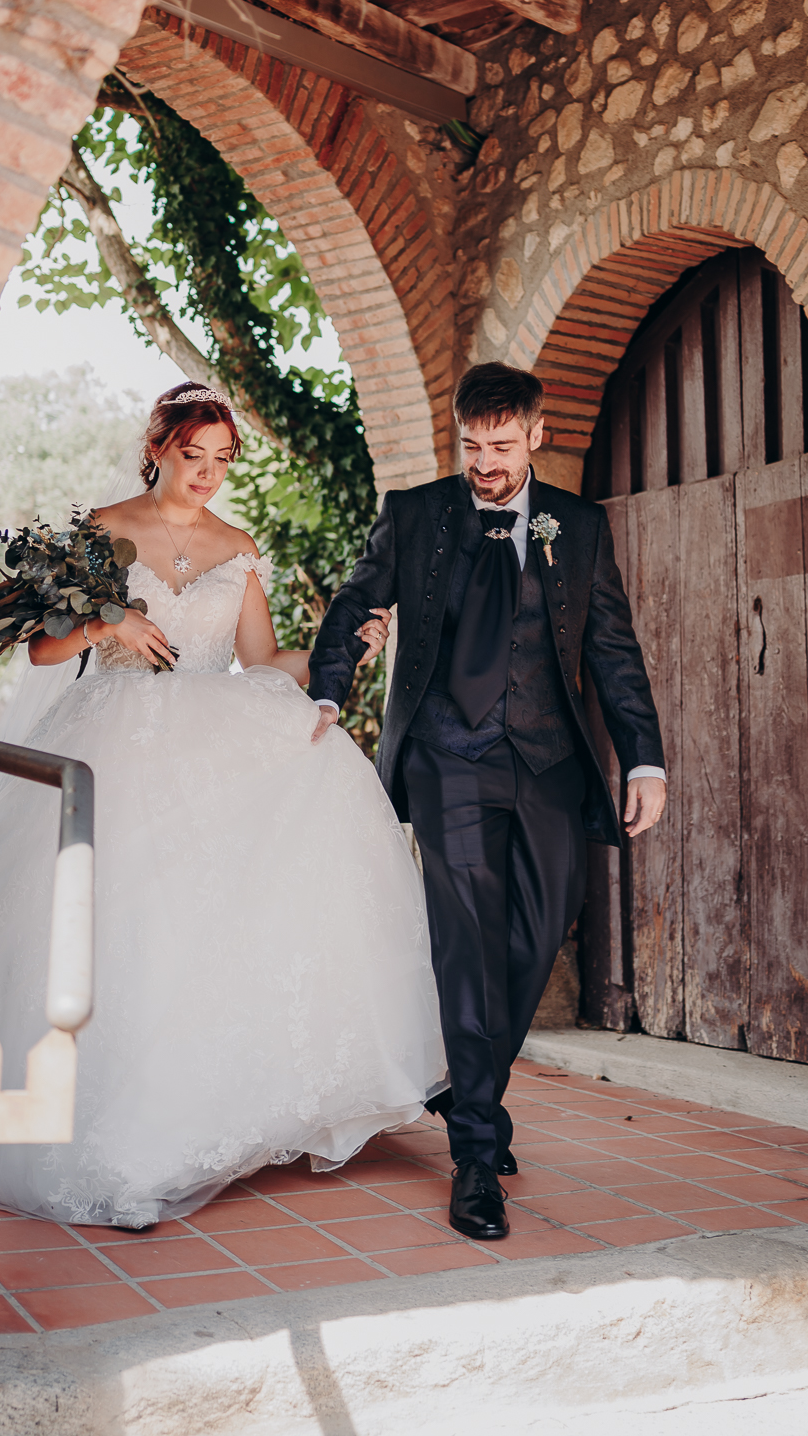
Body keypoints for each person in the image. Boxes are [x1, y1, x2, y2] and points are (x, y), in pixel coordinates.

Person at [0, 382, 446, 1228]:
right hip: (113, 739)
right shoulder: (102, 528)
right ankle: (103, 1134)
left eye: (220, 460)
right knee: (118, 923)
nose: (206, 473)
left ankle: (192, 1120)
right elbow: (41, 650)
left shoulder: (237, 547)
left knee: (199, 933)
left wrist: (336, 649)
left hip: (212, 741)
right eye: (191, 455)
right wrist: (108, 627)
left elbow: (261, 661)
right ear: (160, 447)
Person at [308, 362, 666, 1244]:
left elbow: (613, 649)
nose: (486, 463)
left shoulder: (577, 525)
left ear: (536, 437)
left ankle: (463, 1090)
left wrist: (645, 761)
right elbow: (356, 598)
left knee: (539, 931)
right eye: (472, 445)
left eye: (503, 447)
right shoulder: (417, 513)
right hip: (448, 756)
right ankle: (475, 1153)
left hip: (549, 760)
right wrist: (327, 686)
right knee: (466, 942)